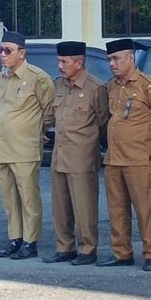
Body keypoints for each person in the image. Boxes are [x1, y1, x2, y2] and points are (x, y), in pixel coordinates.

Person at [43, 41, 108, 265]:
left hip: (82, 158)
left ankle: (87, 250)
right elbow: (51, 117)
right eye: (59, 61)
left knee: (84, 208)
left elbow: (103, 123)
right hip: (59, 156)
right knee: (60, 207)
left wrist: (90, 147)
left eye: (64, 62)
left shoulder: (95, 88)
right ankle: (65, 247)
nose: (60, 66)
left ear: (79, 63)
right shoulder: (59, 85)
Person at [0, 31, 54, 259]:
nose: (2, 54)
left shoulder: (38, 78)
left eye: (8, 50)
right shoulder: (0, 78)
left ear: (22, 52)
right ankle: (15, 238)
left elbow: (49, 111)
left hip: (24, 149)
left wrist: (38, 130)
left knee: (28, 198)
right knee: (9, 199)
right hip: (1, 149)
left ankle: (30, 241)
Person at [96, 39, 151, 272]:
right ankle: (122, 253)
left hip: (139, 158)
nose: (112, 64)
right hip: (114, 158)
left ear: (130, 59)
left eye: (116, 58)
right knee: (116, 209)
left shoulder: (145, 85)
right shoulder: (112, 87)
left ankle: (150, 253)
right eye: (109, 59)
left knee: (145, 209)